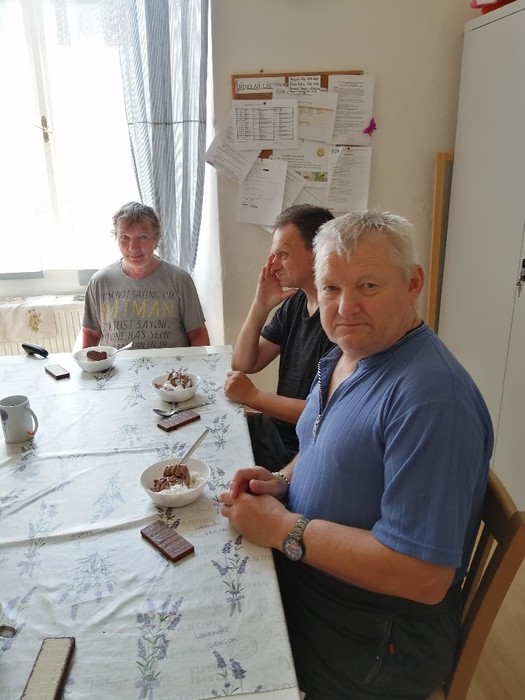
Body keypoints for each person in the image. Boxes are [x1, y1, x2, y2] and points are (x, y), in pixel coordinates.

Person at [220, 210, 494, 700]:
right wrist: (282, 481)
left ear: (413, 283)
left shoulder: (433, 401)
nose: (346, 307)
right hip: (319, 584)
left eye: (368, 285)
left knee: (218, 652)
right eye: (331, 288)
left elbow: (423, 576)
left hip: (373, 638)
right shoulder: (347, 354)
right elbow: (317, 445)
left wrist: (281, 528)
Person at [224, 204, 336, 471]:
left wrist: (252, 396)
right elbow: (244, 363)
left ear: (318, 254)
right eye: (273, 255)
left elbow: (324, 414)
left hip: (301, 450)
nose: (272, 265)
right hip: (274, 428)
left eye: (283, 255)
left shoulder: (337, 320)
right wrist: (260, 305)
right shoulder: (296, 303)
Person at [82, 202, 209, 350]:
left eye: (142, 237)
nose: (133, 247)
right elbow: (91, 333)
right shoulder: (99, 282)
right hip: (117, 364)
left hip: (171, 365)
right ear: (116, 238)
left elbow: (197, 334)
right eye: (125, 237)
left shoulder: (180, 280)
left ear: (156, 239)